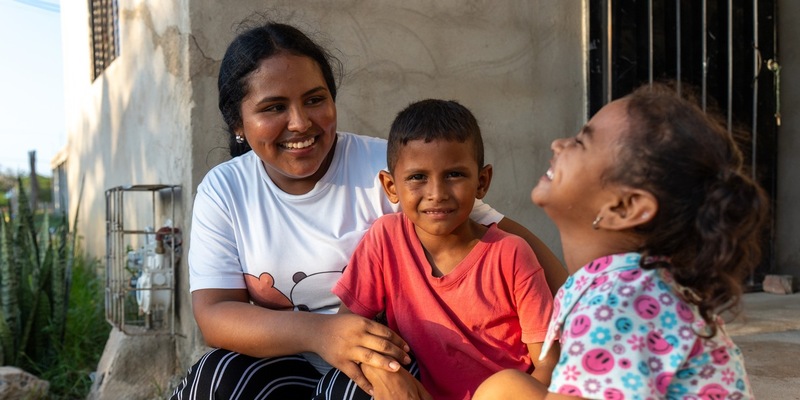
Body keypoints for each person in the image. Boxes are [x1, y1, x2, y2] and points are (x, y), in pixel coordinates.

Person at [170, 19, 567, 400]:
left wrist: (590, 306)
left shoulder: (393, 170)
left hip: (384, 359)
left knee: (362, 389)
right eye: (273, 107)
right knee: (216, 376)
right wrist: (322, 334)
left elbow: (503, 236)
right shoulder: (225, 189)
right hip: (283, 359)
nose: (300, 122)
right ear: (237, 122)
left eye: (315, 99)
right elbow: (216, 313)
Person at [472, 83, 767, 400]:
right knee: (505, 388)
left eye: (581, 142)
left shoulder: (621, 302)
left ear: (625, 208)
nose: (559, 143)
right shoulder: (630, 284)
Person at [315, 99, 559, 400]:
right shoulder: (386, 239)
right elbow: (348, 329)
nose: (437, 194)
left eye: (454, 175)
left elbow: (548, 363)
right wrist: (386, 372)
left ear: (482, 182)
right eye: (418, 177)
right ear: (391, 187)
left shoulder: (511, 255)